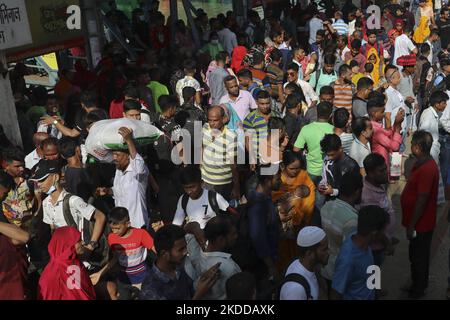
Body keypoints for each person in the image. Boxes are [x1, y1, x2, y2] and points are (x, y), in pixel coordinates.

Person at [30, 159, 106, 247]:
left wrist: (91, 245)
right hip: (64, 254)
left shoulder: (73, 201)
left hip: (80, 253)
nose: (39, 184)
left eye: (42, 179)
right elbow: (53, 230)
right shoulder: (46, 203)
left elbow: (100, 217)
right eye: (37, 181)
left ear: (56, 177)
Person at [401, 131, 440, 299]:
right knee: (415, 256)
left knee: (419, 258)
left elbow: (422, 199)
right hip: (418, 222)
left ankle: (418, 289)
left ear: (417, 147)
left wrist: (412, 225)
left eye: (413, 145)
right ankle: (417, 284)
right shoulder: (422, 163)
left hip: (421, 224)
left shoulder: (427, 169)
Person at [139, 224, 220, 300]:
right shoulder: (150, 289)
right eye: (181, 249)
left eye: (185, 247)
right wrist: (199, 295)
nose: (186, 252)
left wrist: (203, 279)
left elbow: (189, 291)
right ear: (164, 254)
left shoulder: (179, 268)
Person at [90, 207, 155, 300]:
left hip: (142, 280)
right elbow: (115, 258)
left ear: (127, 223)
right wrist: (100, 273)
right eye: (112, 229)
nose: (114, 232)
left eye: (117, 228)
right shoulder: (112, 238)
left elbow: (157, 251)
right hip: (123, 281)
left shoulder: (141, 234)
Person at [331, 205, 390, 300]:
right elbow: (336, 293)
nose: (384, 235)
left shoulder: (363, 242)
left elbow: (371, 270)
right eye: (383, 232)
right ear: (374, 234)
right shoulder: (348, 260)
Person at [272, 150, 316, 272]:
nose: (295, 171)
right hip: (282, 227)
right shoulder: (277, 179)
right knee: (283, 255)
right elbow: (274, 197)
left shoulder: (303, 176)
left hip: (300, 226)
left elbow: (310, 195)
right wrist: (293, 196)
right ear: (283, 166)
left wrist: (298, 215)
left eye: (298, 168)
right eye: (292, 168)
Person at [320, 171, 362, 285]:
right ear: (358, 192)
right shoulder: (352, 220)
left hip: (326, 267)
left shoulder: (326, 207)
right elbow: (350, 252)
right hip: (341, 272)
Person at [184, 216, 241, 300]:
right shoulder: (230, 267)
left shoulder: (195, 251)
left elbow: (188, 228)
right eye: (233, 234)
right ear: (220, 240)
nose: (236, 236)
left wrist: (196, 228)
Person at [38, 226, 95, 300]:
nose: (83, 242)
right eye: (79, 240)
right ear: (68, 244)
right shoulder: (58, 270)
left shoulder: (73, 261)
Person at [361, 153, 398, 267]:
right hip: (374, 249)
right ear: (371, 173)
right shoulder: (367, 197)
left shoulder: (378, 183)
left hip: (382, 243)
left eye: (385, 168)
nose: (385, 172)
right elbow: (374, 231)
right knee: (373, 279)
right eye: (381, 170)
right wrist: (387, 244)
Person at [247, 166, 282, 284]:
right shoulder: (258, 206)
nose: (280, 181)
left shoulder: (264, 196)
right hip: (262, 265)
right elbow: (258, 238)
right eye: (277, 179)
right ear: (267, 181)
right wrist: (271, 266)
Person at [112, 127, 150, 229]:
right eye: (113, 154)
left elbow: (138, 164)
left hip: (137, 226)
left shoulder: (138, 173)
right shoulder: (118, 172)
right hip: (121, 228)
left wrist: (129, 141)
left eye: (117, 155)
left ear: (128, 156)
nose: (114, 158)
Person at [172, 165, 230, 231]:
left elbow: (229, 218)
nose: (189, 191)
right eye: (186, 188)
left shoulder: (214, 197)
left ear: (201, 183)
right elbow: (176, 225)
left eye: (192, 187)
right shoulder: (183, 200)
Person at [0, 170, 29, 300]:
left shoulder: (4, 207)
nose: (4, 196)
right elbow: (21, 238)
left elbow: (21, 238)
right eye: (4, 192)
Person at [201, 106, 240, 201]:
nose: (212, 123)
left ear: (223, 119)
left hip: (223, 184)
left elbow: (233, 164)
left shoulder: (231, 136)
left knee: (222, 212)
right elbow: (202, 148)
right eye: (210, 120)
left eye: (215, 120)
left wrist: (236, 187)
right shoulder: (205, 128)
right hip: (206, 181)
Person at [279, 226, 329, 300]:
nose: (328, 253)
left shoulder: (308, 266)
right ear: (309, 254)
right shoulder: (296, 290)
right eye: (324, 249)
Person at [294, 102, 334, 189]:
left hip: (310, 169)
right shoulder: (334, 130)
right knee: (321, 198)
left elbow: (296, 149)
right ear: (331, 115)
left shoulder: (306, 129)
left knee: (309, 195)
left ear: (316, 112)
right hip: (327, 171)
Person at [368, 92, 404, 176]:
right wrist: (397, 128)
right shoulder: (376, 131)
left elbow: (388, 133)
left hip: (383, 162)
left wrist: (395, 123)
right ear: (374, 113)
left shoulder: (375, 126)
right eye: (382, 112)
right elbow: (394, 147)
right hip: (381, 167)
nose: (384, 114)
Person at [243, 90, 281, 164]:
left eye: (267, 103)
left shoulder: (276, 115)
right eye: (262, 104)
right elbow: (248, 140)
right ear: (256, 102)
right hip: (258, 158)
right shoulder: (250, 118)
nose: (265, 106)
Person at [319, 134, 359, 200]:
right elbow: (324, 177)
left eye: (332, 155)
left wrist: (333, 191)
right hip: (329, 201)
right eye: (327, 155)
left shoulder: (351, 166)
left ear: (340, 149)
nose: (329, 157)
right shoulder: (327, 160)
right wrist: (321, 185)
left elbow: (352, 191)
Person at [1, 148, 35, 227]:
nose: (22, 169)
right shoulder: (2, 182)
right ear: (6, 166)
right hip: (10, 228)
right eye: (17, 166)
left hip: (31, 223)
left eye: (23, 165)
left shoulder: (29, 176)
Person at [58, 137, 93, 202]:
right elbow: (83, 199)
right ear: (77, 149)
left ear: (62, 156)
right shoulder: (77, 173)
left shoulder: (71, 171)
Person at [419, 91, 449, 163]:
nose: (445, 105)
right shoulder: (428, 115)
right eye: (443, 103)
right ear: (436, 104)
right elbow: (423, 133)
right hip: (429, 151)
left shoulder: (435, 114)